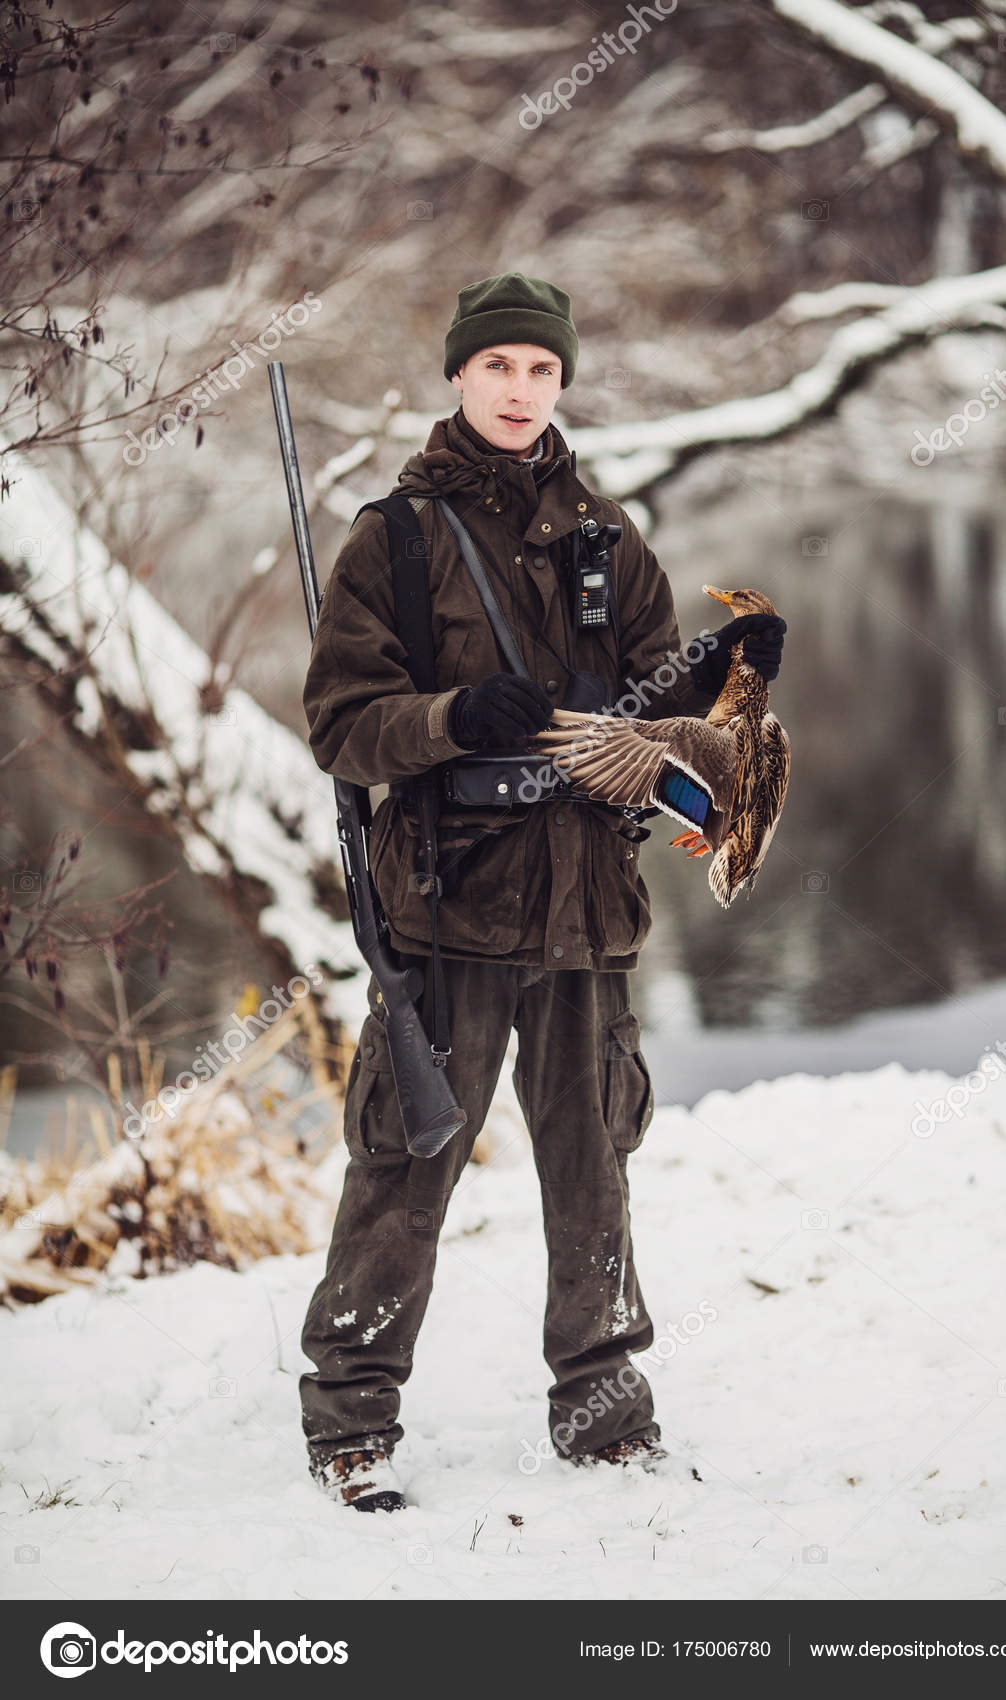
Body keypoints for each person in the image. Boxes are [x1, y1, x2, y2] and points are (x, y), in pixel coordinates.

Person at [298, 272, 786, 1511]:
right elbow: (342, 725)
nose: (520, 390)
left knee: (592, 1164)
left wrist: (720, 676)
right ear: (458, 374)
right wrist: (452, 715)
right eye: (498, 366)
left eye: (542, 369)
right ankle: (350, 1420)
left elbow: (654, 721)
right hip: (444, 906)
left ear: (561, 381)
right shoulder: (393, 539)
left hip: (587, 909)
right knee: (404, 1166)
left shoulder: (608, 537)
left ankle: (604, 1412)